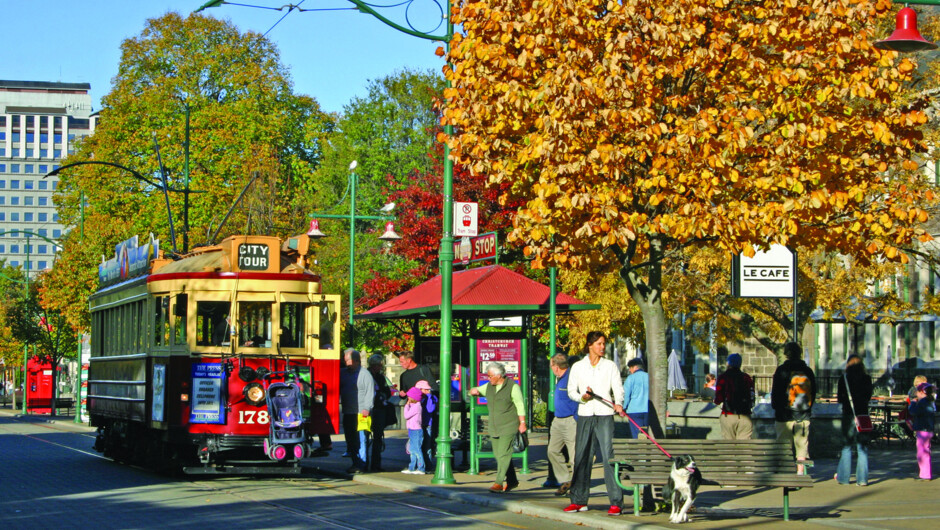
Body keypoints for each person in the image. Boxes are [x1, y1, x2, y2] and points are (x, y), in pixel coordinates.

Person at [564, 331, 625, 516]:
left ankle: (616, 502)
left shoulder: (610, 366)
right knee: (581, 457)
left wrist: (619, 403)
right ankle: (578, 501)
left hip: (605, 415)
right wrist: (582, 398)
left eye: (603, 343)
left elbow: (618, 388)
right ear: (590, 345)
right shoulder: (577, 366)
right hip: (585, 414)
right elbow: (571, 391)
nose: (602, 347)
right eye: (599, 343)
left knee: (608, 457)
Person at [469, 362, 526, 493]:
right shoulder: (489, 386)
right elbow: (478, 390)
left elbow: (520, 404)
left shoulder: (512, 386)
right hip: (494, 426)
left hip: (509, 425)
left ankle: (498, 483)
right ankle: (512, 481)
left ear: (499, 375)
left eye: (490, 376)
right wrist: (474, 391)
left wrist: (522, 423)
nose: (488, 378)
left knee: (504, 454)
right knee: (499, 455)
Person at [771, 341, 816, 474]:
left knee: (783, 445)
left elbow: (776, 392)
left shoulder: (781, 370)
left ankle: (785, 471)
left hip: (784, 415)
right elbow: (814, 391)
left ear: (786, 354)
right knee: (801, 446)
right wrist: (807, 408)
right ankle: (800, 472)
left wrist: (777, 407)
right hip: (802, 415)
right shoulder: (807, 371)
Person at [396, 351, 438, 471]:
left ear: (409, 360)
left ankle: (427, 466)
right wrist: (402, 394)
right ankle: (417, 465)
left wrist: (426, 394)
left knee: (427, 441)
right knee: (416, 442)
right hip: (414, 415)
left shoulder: (423, 370)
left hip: (426, 412)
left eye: (402, 361)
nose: (401, 364)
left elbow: (434, 388)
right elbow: (404, 393)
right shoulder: (403, 376)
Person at [835, 354, 873, 486]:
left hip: (848, 415)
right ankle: (862, 479)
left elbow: (840, 398)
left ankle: (844, 478)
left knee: (846, 447)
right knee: (862, 447)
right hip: (862, 415)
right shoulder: (867, 379)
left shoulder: (844, 379)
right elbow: (868, 396)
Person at [547, 353, 578, 496]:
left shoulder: (571, 377)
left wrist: (576, 419)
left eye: (551, 365)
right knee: (552, 450)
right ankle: (566, 480)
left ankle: (577, 485)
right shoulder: (559, 378)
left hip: (570, 420)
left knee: (574, 455)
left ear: (556, 366)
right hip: (558, 420)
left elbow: (577, 400)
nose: (551, 368)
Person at [339, 348, 374, 474]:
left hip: (361, 412)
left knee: (361, 439)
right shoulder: (343, 373)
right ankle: (355, 462)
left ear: (355, 361)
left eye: (347, 360)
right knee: (350, 439)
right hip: (348, 411)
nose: (345, 363)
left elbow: (370, 392)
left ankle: (362, 464)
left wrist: (367, 408)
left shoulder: (365, 374)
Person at [714, 353, 754, 440]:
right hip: (745, 415)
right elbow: (752, 395)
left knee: (728, 447)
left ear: (728, 363)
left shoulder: (723, 377)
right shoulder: (746, 378)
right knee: (744, 447)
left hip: (728, 415)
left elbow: (718, 398)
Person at [367, 353, 393, 472]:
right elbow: (386, 392)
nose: (380, 368)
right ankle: (370, 463)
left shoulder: (380, 377)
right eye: (379, 365)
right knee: (368, 438)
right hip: (370, 409)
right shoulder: (368, 376)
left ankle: (375, 464)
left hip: (377, 409)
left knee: (377, 438)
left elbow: (387, 392)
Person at [909, 382, 936, 480]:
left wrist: (912, 403)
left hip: (922, 429)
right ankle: (926, 473)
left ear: (921, 392)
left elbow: (913, 411)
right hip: (929, 429)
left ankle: (924, 474)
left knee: (921, 452)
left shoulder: (922, 402)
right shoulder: (929, 401)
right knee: (926, 451)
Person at [622, 358, 649, 439]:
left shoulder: (631, 378)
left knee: (637, 435)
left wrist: (623, 407)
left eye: (630, 368)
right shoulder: (649, 377)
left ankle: (639, 450)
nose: (630, 370)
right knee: (647, 434)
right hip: (648, 410)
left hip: (634, 410)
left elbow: (626, 395)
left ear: (635, 367)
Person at [403, 387, 425, 474]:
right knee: (412, 450)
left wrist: (406, 406)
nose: (408, 398)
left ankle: (421, 468)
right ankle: (411, 467)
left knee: (417, 449)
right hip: (412, 430)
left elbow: (406, 415)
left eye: (409, 396)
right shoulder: (414, 406)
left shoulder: (417, 406)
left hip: (416, 431)